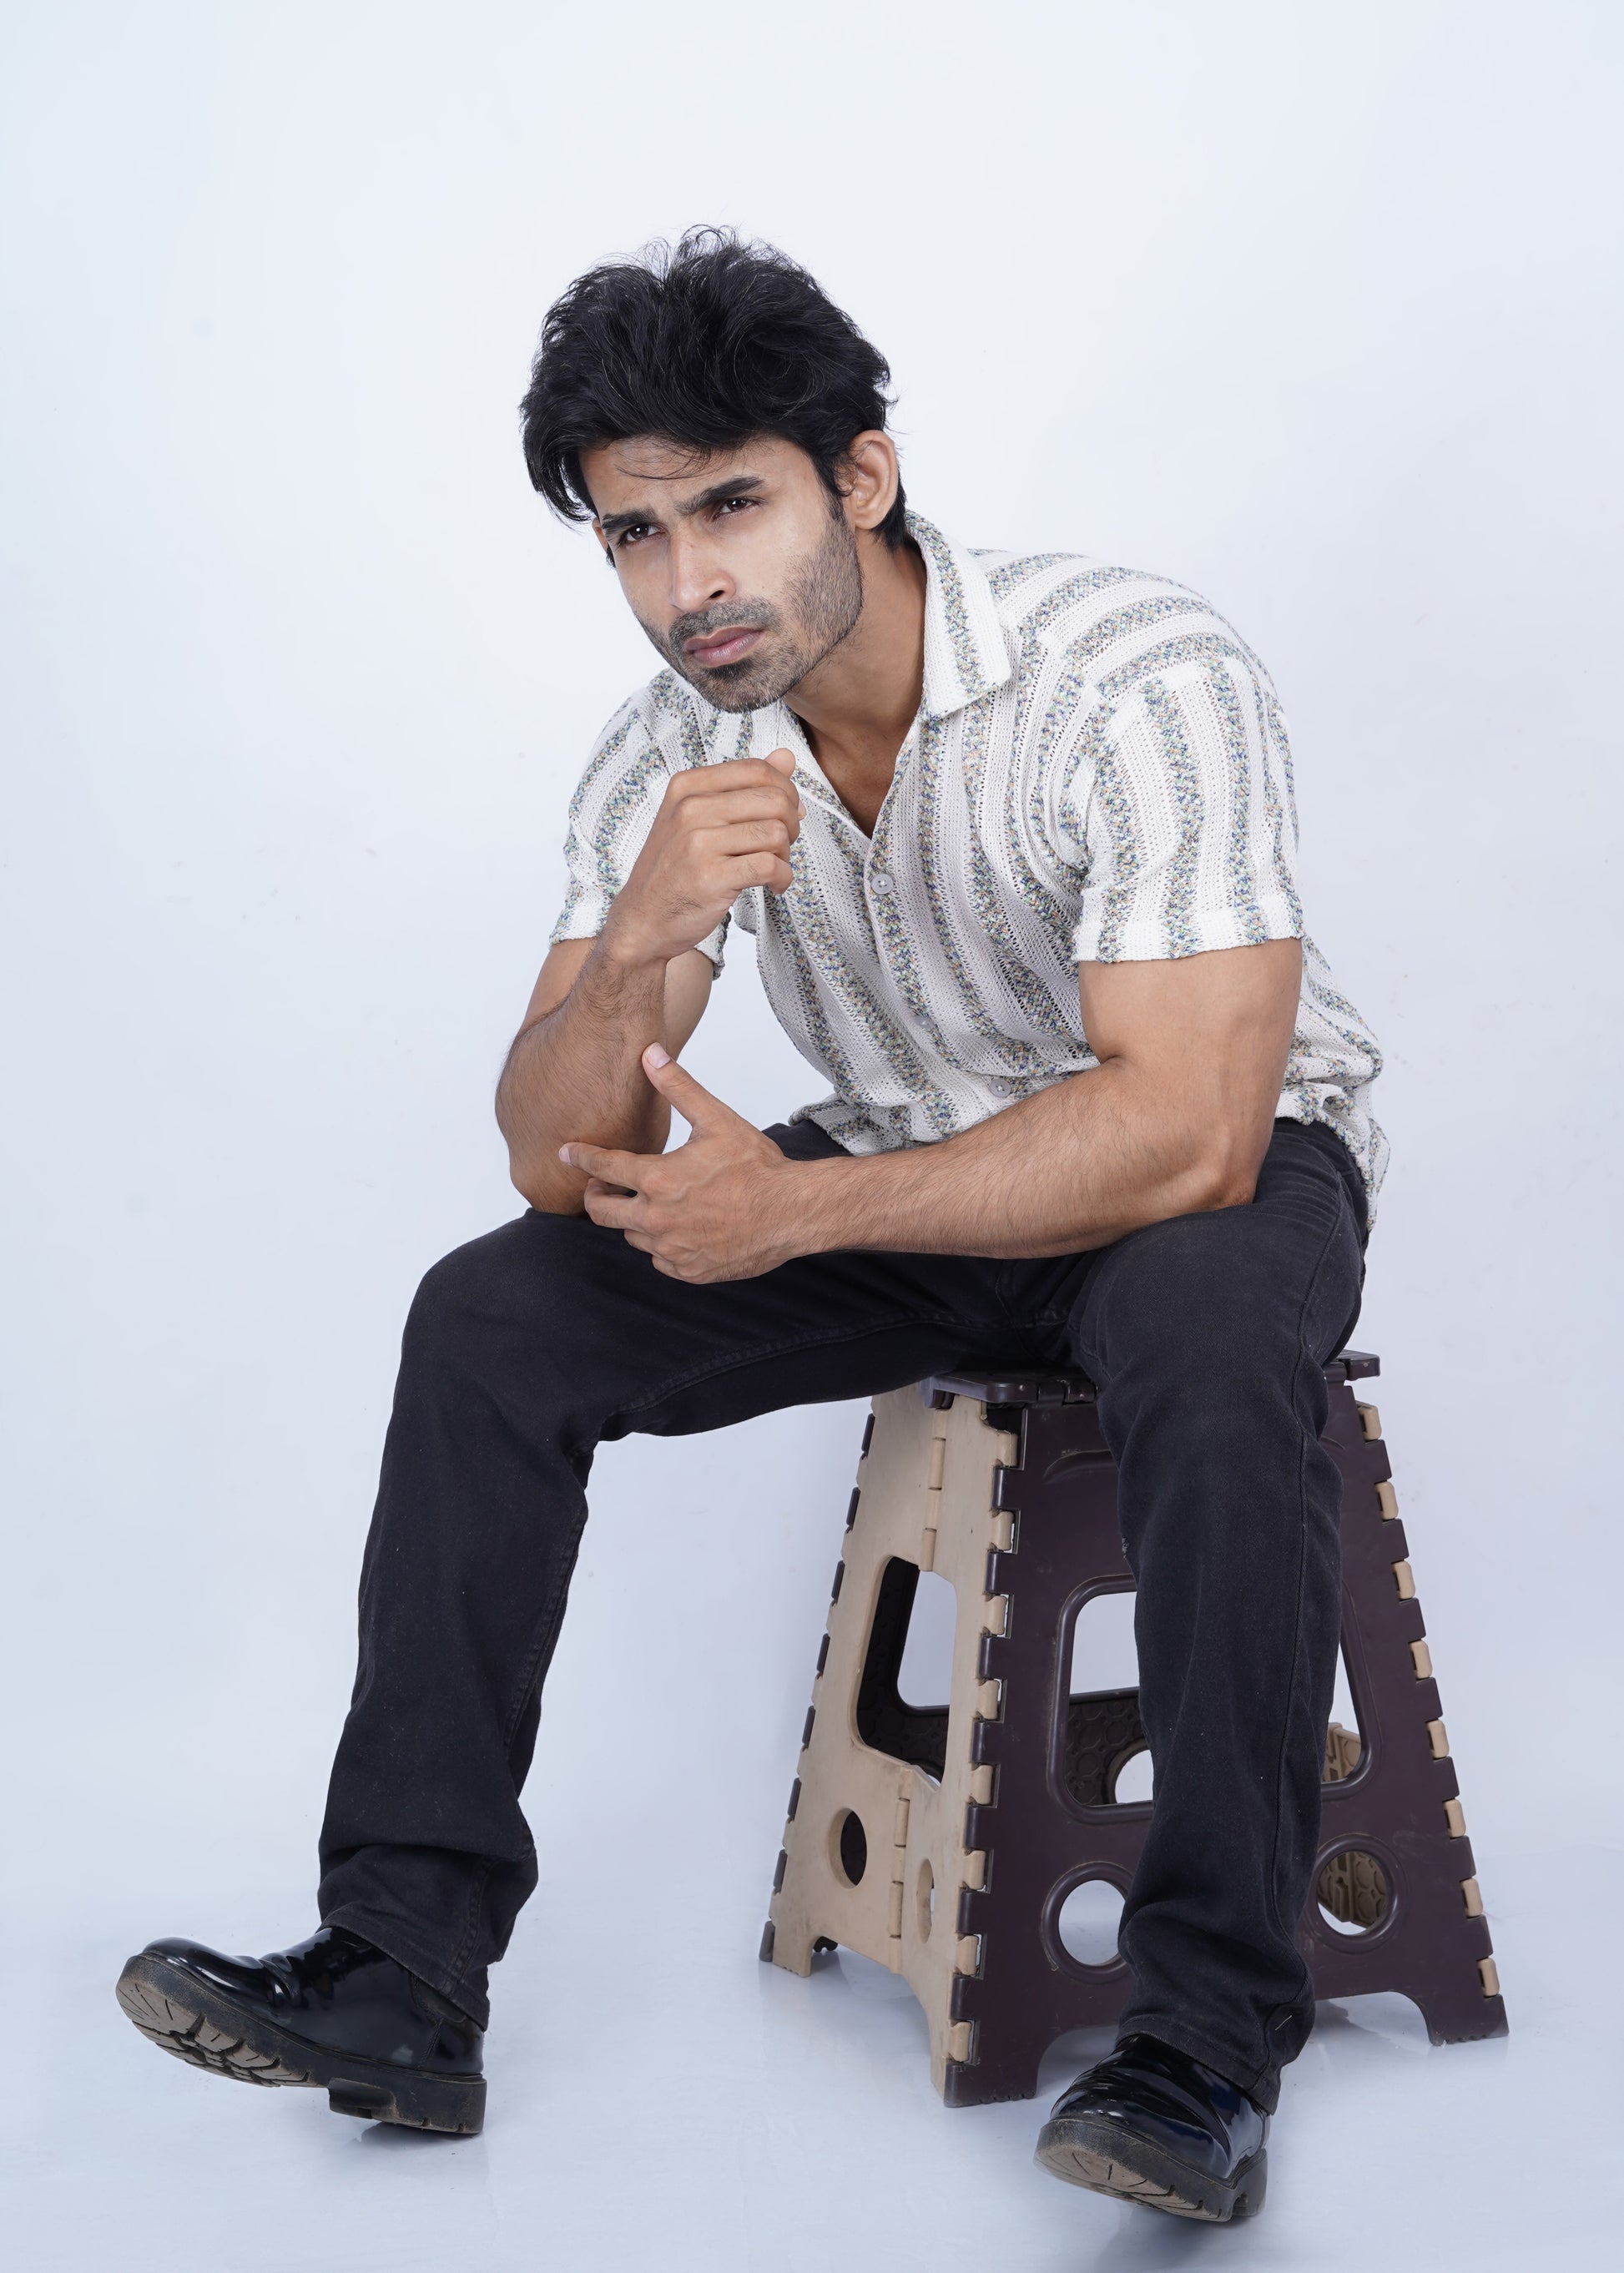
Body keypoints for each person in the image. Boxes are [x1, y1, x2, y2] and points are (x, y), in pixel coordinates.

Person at [117, 229, 1383, 2225]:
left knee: (1220, 1344)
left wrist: (795, 1213)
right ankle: (399, 1970)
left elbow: (1189, 1127)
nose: (685, 581)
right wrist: (636, 940)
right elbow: (553, 1157)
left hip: (1192, 1178)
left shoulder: (1134, 673)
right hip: (899, 1171)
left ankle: (1205, 2045)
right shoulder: (669, 748)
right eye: (632, 533)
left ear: (857, 479)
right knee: (491, 1316)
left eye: (728, 506)